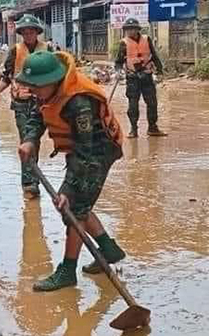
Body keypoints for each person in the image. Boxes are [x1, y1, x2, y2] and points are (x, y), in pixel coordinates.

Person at [16, 50, 126, 291]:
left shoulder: (78, 103)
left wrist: (67, 188)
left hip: (98, 151)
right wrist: (30, 139)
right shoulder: (47, 93)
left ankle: (68, 270)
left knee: (73, 210)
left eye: (35, 88)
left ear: (53, 82)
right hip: (81, 152)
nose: (32, 92)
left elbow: (85, 153)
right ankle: (109, 250)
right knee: (79, 206)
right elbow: (38, 116)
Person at [0, 14, 47, 198]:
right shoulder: (15, 51)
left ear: (37, 32)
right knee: (27, 141)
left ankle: (32, 180)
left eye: (32, 32)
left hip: (41, 103)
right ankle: (30, 183)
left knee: (34, 141)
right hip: (21, 104)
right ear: (22, 34)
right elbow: (6, 78)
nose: (28, 35)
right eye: (25, 32)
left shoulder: (48, 50)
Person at [115, 17, 164, 137]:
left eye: (133, 29)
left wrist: (160, 71)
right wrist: (118, 71)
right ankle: (133, 129)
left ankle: (152, 128)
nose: (131, 31)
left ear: (138, 30)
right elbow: (118, 61)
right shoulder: (124, 43)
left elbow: (154, 56)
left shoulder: (147, 39)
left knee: (152, 103)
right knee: (133, 104)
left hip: (147, 76)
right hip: (132, 78)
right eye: (128, 29)